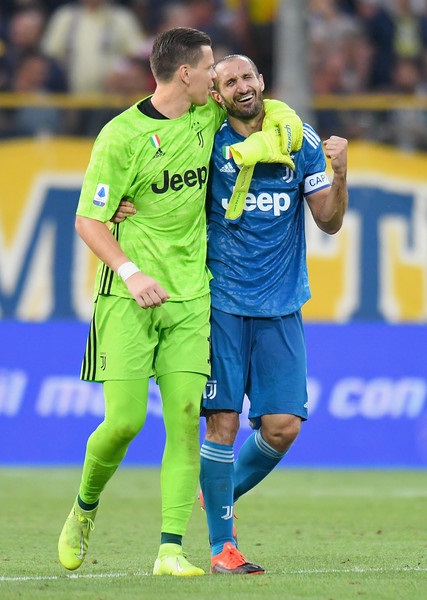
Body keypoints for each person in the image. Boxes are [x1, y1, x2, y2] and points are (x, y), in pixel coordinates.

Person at [57, 26, 225, 578]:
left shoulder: (210, 115)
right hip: (129, 298)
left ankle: (171, 551)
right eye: (209, 67)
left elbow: (265, 113)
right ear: (185, 73)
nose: (215, 76)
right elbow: (88, 219)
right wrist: (130, 273)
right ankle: (84, 508)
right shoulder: (120, 137)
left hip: (190, 295)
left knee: (184, 419)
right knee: (125, 422)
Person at [198, 54, 348, 574]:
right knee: (222, 421)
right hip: (221, 302)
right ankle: (223, 549)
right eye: (229, 81)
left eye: (247, 77)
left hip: (281, 303)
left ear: (262, 82)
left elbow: (327, 221)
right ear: (216, 94)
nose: (242, 86)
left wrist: (341, 172)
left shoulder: (297, 139)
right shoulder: (206, 141)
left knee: (282, 427)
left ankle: (217, 492)